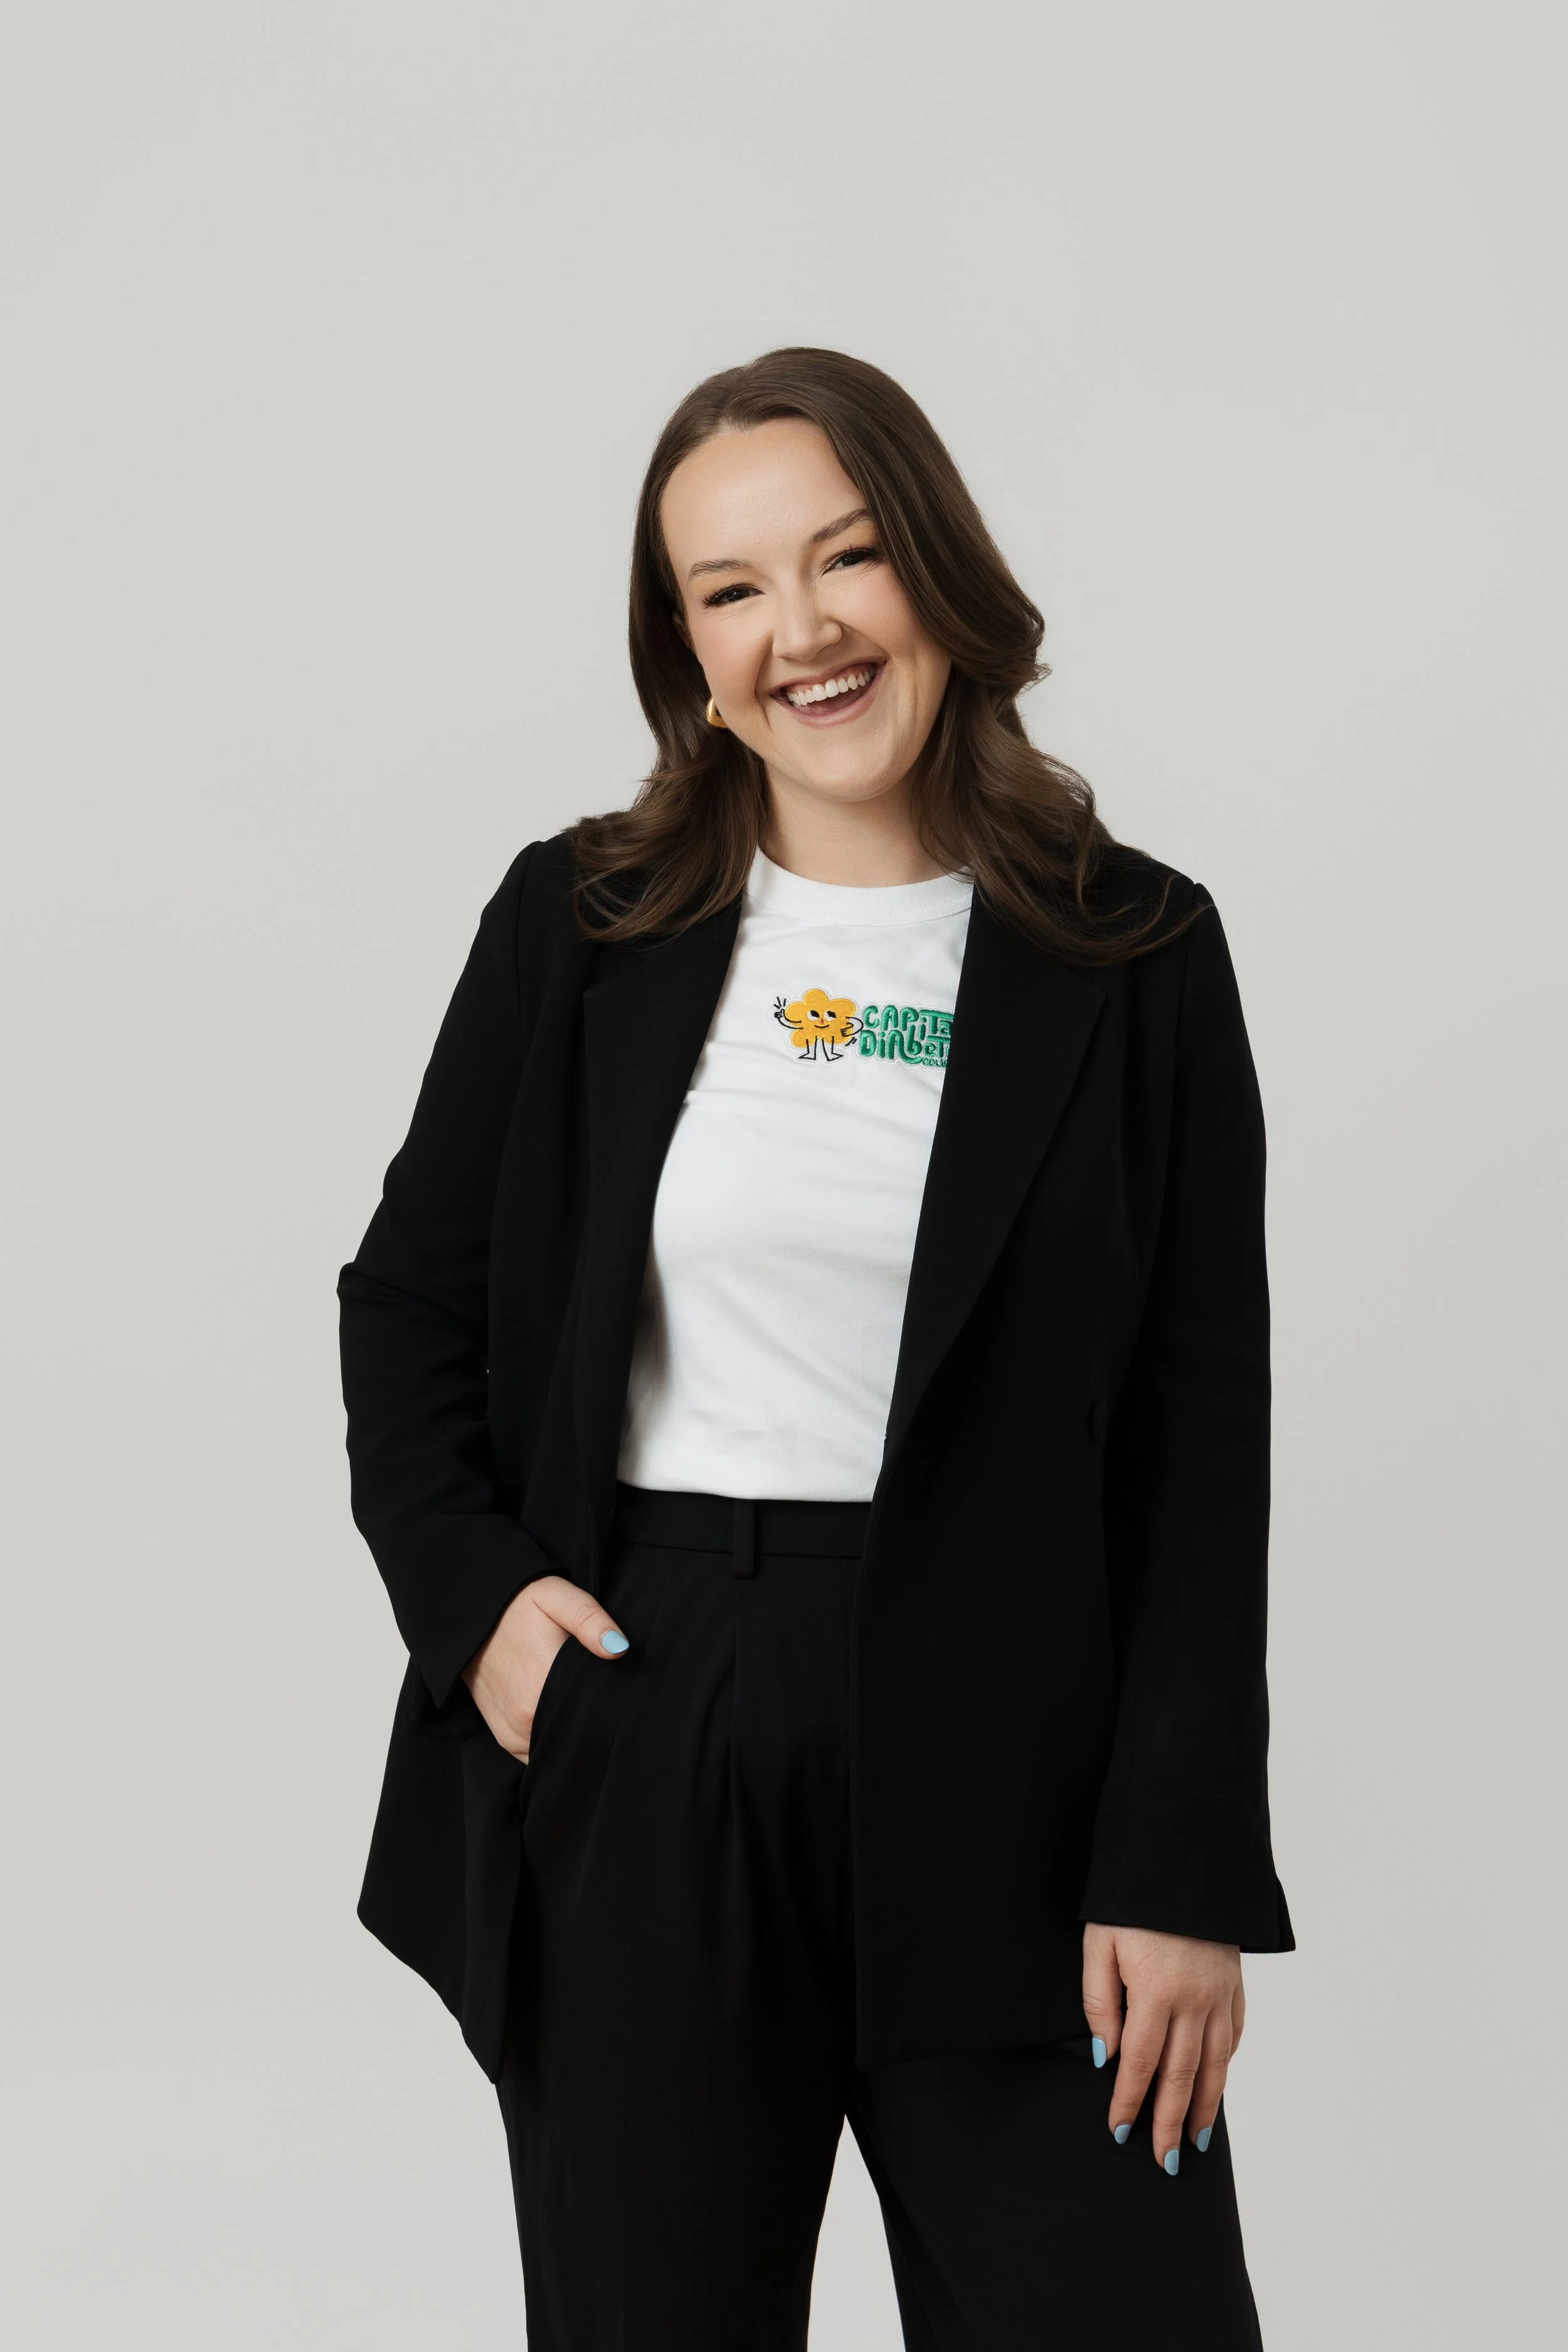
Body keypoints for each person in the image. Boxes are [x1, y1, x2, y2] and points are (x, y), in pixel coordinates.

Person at [337, 346, 1293, 2351]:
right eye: (731, 588)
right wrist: (486, 1605)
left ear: (937, 575)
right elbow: (406, 1303)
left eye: (847, 557)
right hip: (654, 1699)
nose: (804, 630)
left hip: (1021, 1746)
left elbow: (1201, 1435)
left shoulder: (1133, 953)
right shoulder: (579, 925)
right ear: (685, 650)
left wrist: (1178, 1852)